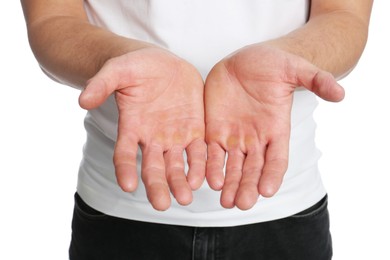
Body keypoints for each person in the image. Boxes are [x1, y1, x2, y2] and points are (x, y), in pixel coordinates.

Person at [21, 0, 373, 259]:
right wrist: (119, 57)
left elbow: (343, 14)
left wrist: (289, 54)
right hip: (118, 210)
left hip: (285, 204)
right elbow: (53, 17)